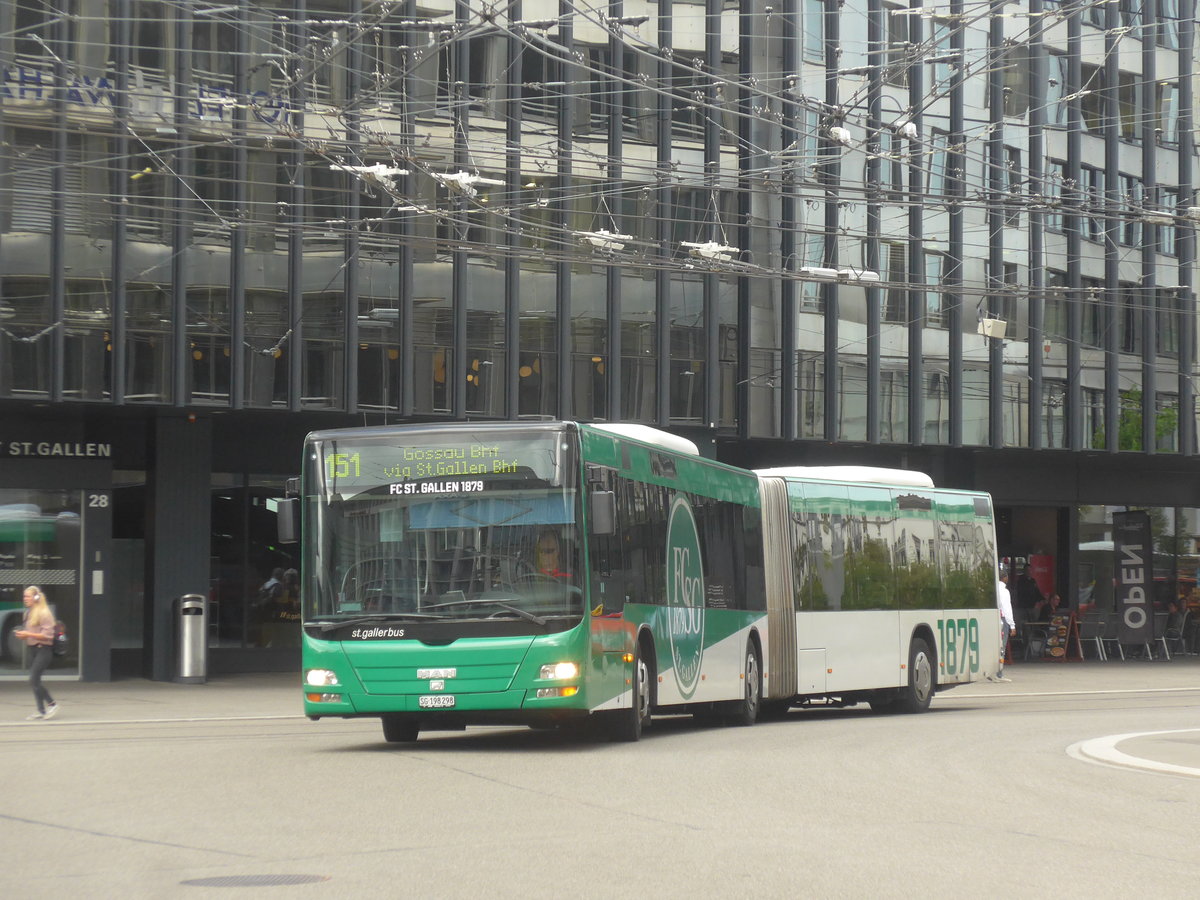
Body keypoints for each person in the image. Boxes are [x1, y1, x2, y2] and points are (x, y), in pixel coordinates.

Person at [12, 585, 59, 720]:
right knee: (35, 681)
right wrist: (23, 635)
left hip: (43, 649)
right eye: (24, 596)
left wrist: (28, 634)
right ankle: (41, 710)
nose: (25, 599)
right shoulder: (28, 613)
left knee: (33, 679)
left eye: (27, 596)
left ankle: (52, 704)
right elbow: (31, 632)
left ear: (36, 597)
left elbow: (47, 636)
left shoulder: (44, 613)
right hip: (33, 649)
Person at [990, 571, 1015, 683]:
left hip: (993, 620)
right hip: (1002, 620)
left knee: (993, 647)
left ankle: (991, 672)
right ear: (1005, 578)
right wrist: (1012, 625)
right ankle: (998, 674)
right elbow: (1007, 608)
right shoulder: (1004, 591)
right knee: (1001, 648)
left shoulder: (993, 589)